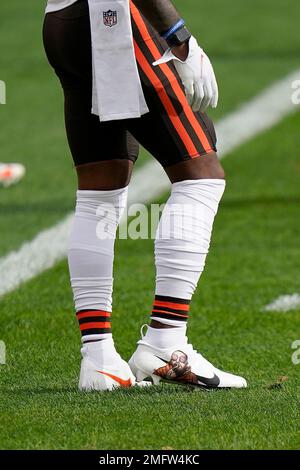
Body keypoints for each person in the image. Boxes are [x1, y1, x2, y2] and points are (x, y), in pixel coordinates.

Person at [43, 0, 247, 390]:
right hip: (113, 18)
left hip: (61, 19)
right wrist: (179, 36)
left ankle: (98, 358)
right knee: (200, 175)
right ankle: (166, 342)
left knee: (99, 190)